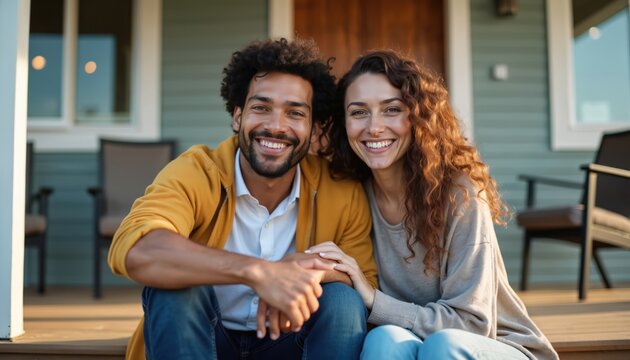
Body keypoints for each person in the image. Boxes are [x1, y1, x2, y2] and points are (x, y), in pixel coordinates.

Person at [108, 38, 377, 360]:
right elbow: (138, 248)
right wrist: (259, 272)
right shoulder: (197, 170)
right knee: (177, 287)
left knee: (342, 300)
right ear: (237, 116)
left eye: (295, 113)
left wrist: (310, 269)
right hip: (202, 340)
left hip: (290, 343)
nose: (276, 126)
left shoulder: (341, 190)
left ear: (314, 128)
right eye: (261, 108)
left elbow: (363, 280)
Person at [309, 50, 559, 359]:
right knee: (383, 340)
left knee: (444, 345)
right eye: (359, 112)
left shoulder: (460, 195)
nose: (373, 127)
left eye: (392, 110)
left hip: (496, 345)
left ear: (418, 116)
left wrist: (374, 300)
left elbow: (472, 325)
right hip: (415, 344)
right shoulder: (352, 195)